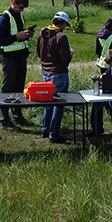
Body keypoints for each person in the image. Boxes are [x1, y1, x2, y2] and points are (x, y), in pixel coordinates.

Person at [0, 0, 36, 130]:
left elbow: (19, 35)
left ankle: (18, 116)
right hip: (10, 58)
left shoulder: (20, 16)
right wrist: (17, 37)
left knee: (19, 88)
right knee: (7, 88)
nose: (22, 10)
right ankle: (4, 119)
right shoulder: (4, 18)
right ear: (13, 3)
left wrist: (27, 35)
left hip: (21, 57)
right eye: (21, 7)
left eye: (24, 8)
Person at [37, 11, 75, 143]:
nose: (65, 27)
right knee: (58, 105)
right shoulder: (61, 37)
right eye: (65, 25)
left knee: (48, 102)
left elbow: (39, 53)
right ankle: (54, 134)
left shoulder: (42, 34)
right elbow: (65, 61)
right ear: (63, 23)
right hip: (59, 74)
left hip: (45, 73)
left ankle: (45, 128)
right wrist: (70, 54)